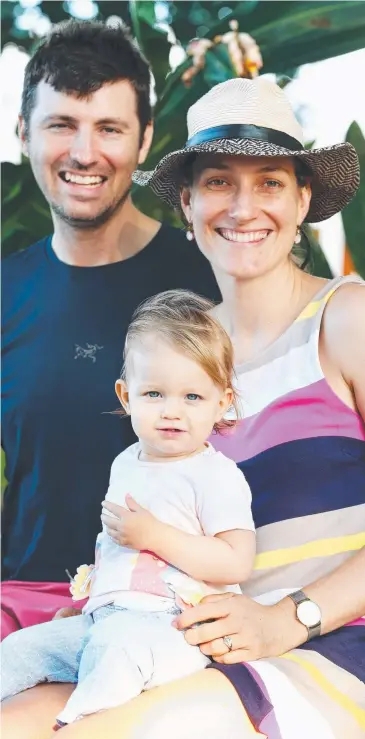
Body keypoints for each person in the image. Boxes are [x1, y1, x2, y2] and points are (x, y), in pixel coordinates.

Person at [2, 78, 364, 739]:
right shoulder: (183, 348)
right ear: (189, 204)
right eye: (219, 181)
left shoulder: (344, 318)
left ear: (302, 198)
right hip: (188, 638)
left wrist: (290, 616)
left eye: (270, 182)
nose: (243, 205)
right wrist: (108, 598)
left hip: (327, 643)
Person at [1, 20, 220, 639]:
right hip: (24, 604)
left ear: (146, 138)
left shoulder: (209, 279)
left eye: (109, 129)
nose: (84, 153)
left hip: (170, 613)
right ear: (23, 133)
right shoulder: (4, 291)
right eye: (61, 124)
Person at [1, 290, 256, 729]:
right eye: (154, 393)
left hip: (173, 629)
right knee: (20, 648)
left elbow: (236, 561)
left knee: (117, 654)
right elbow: (115, 546)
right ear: (126, 395)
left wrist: (156, 536)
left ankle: (80, 726)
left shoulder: (216, 475)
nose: (172, 411)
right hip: (106, 619)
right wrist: (96, 599)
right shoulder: (127, 462)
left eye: (192, 397)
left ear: (222, 401)